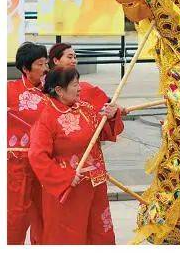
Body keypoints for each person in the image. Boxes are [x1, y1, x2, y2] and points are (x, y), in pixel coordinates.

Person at [28, 66, 124, 244]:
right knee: (69, 235)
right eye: (74, 85)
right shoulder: (47, 117)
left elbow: (103, 133)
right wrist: (64, 177)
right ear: (59, 90)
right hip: (70, 189)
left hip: (95, 185)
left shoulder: (85, 108)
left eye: (78, 83)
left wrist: (111, 116)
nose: (80, 88)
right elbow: (37, 156)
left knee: (99, 233)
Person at [7, 42, 49, 244]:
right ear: (25, 68)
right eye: (40, 64)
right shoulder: (9, 90)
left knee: (46, 213)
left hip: (46, 163)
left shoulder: (54, 90)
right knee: (16, 214)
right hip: (17, 165)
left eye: (46, 63)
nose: (45, 68)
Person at [48, 43, 111, 111]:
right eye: (70, 57)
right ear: (56, 61)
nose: (74, 61)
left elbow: (110, 107)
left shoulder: (86, 88)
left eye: (75, 57)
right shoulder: (43, 89)